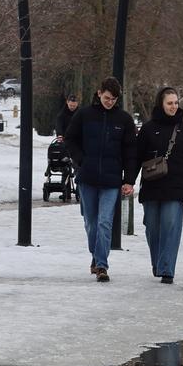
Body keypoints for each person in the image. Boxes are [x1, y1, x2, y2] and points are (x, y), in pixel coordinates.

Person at [63, 76, 137, 283]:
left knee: (105, 222)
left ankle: (102, 265)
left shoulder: (124, 120)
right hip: (87, 177)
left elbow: (131, 151)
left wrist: (129, 179)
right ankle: (96, 256)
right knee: (91, 224)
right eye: (107, 97)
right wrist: (81, 160)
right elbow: (70, 138)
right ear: (99, 93)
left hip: (112, 180)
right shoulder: (84, 115)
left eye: (113, 99)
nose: (109, 102)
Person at [134, 86, 183, 285]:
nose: (173, 107)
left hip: (176, 186)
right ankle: (158, 263)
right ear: (160, 104)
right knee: (152, 228)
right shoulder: (147, 129)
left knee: (171, 226)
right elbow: (136, 157)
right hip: (152, 185)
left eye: (175, 103)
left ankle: (167, 269)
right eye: (169, 103)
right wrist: (128, 181)